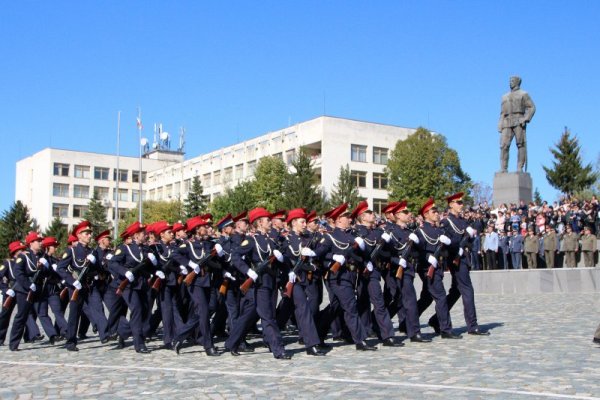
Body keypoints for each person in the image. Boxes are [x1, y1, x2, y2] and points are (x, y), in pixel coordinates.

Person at [415, 198, 461, 339]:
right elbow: (416, 251)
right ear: (426, 214)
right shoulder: (421, 231)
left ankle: (407, 321)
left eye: (437, 211)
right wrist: (427, 257)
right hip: (427, 269)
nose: (436, 213)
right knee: (440, 297)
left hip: (439, 267)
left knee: (426, 298)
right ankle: (445, 329)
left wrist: (450, 243)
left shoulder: (440, 230)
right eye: (433, 211)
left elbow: (451, 246)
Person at [498, 75, 536, 172]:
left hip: (518, 120)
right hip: (506, 121)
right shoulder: (504, 96)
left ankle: (520, 167)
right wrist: (500, 123)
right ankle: (503, 168)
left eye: (513, 80)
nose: (510, 82)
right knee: (503, 145)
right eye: (510, 80)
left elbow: (532, 107)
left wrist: (526, 118)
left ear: (518, 82)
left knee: (520, 144)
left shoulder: (523, 94)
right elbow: (502, 112)